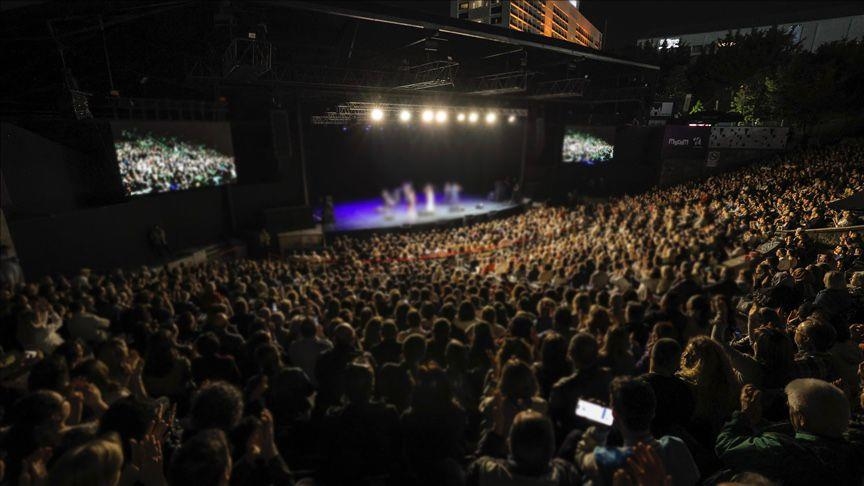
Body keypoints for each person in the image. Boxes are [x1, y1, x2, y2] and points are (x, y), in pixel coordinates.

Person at [716, 380, 864, 485]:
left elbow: (726, 446)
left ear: (802, 419)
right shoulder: (853, 445)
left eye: (791, 409)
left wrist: (745, 414)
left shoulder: (781, 449)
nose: (789, 412)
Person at [577, 376, 700, 486]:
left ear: (614, 414)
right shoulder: (675, 447)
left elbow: (581, 456)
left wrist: (599, 429)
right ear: (652, 412)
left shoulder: (604, 458)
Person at [467, 411, 581, 486]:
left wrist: (496, 432)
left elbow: (473, 467)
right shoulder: (565, 475)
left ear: (509, 443)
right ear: (551, 446)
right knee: (576, 435)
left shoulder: (485, 471)